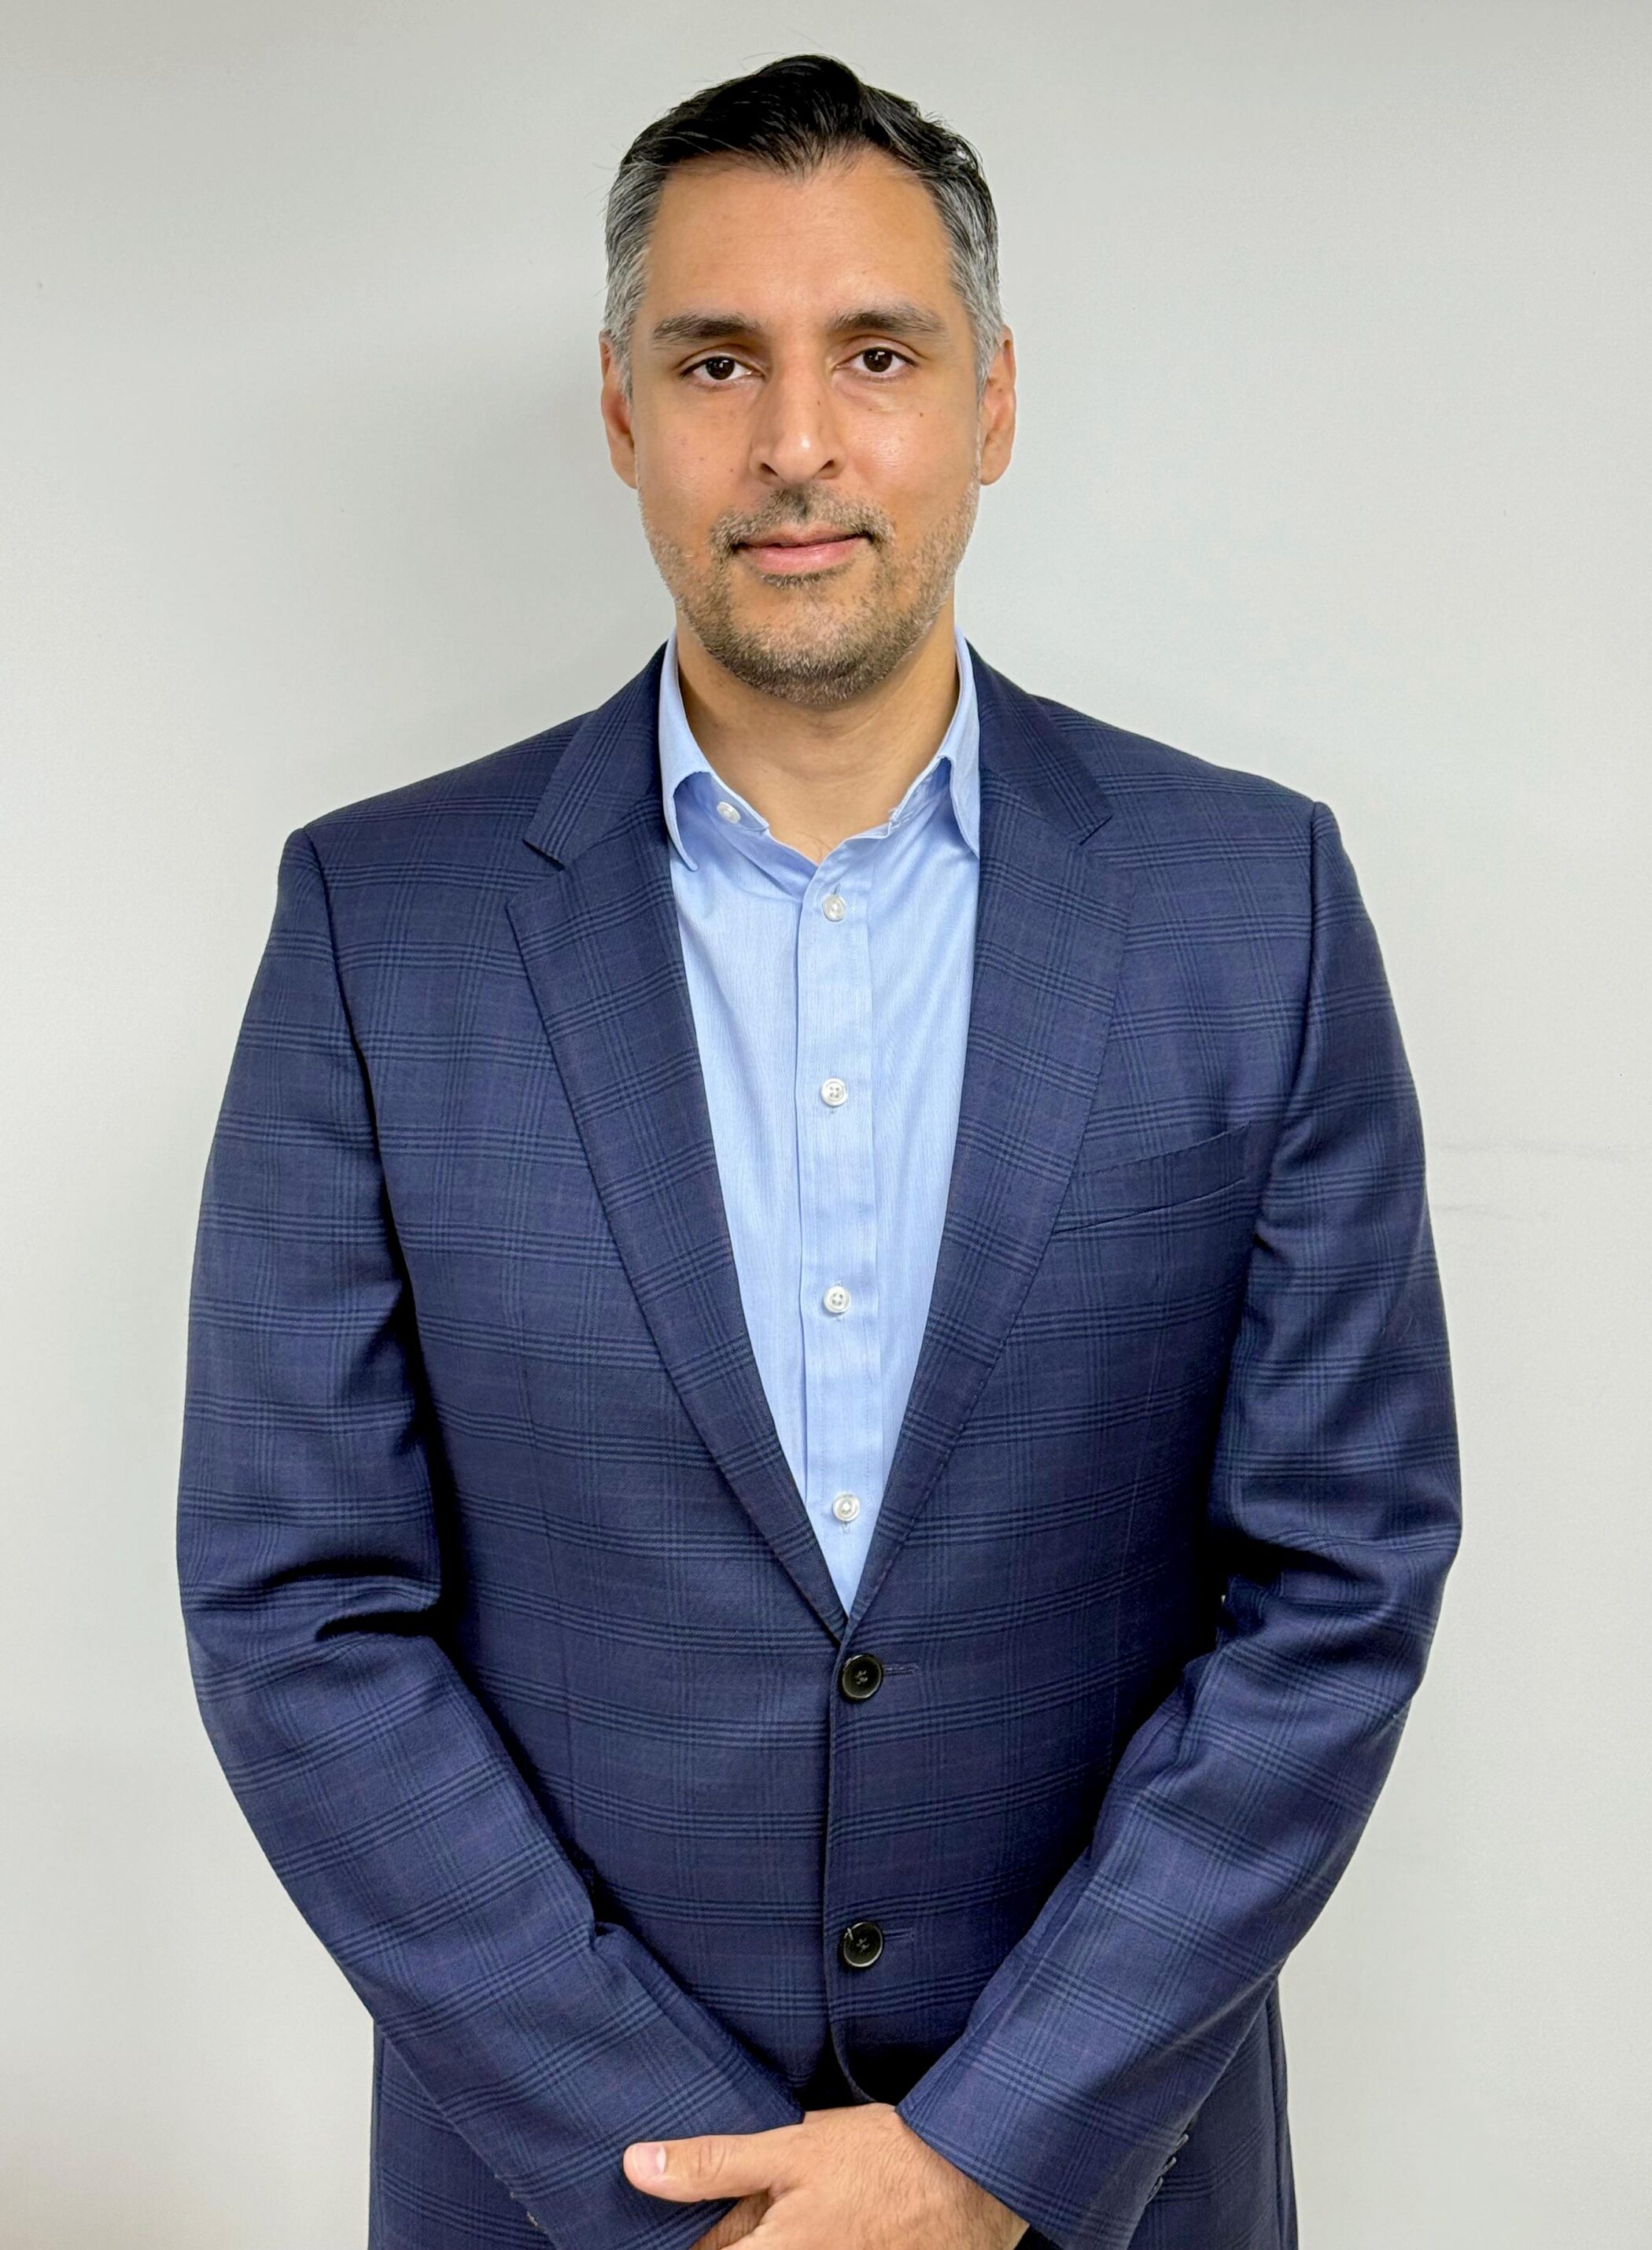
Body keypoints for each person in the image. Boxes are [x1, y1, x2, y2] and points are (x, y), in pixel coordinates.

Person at [176, 51, 1461, 2250]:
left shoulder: (1254, 907)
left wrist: (992, 2147)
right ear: (620, 412)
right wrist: (681, 2177)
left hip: (1103, 2189)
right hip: (572, 2195)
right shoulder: (378, 926)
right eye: (715, 362)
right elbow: (296, 1608)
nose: (794, 440)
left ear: (991, 400)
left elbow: (1337, 1583)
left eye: (876, 354)